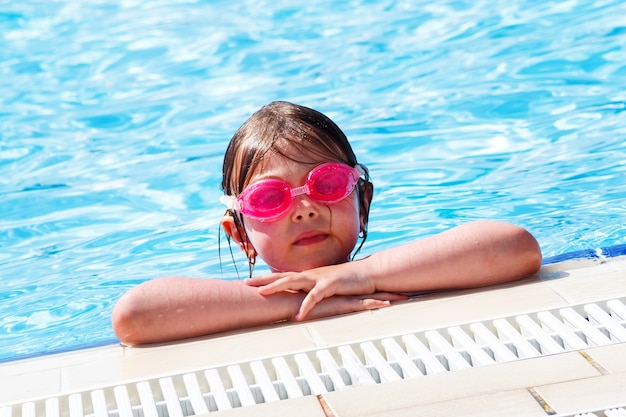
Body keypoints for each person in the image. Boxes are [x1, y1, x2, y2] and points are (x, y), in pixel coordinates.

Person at [112, 101, 542, 346]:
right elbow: (135, 314)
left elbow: (515, 246)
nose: (304, 209)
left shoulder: (394, 271)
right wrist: (299, 301)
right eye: (270, 198)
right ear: (240, 235)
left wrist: (358, 274)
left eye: (327, 184)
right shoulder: (233, 300)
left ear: (364, 203)